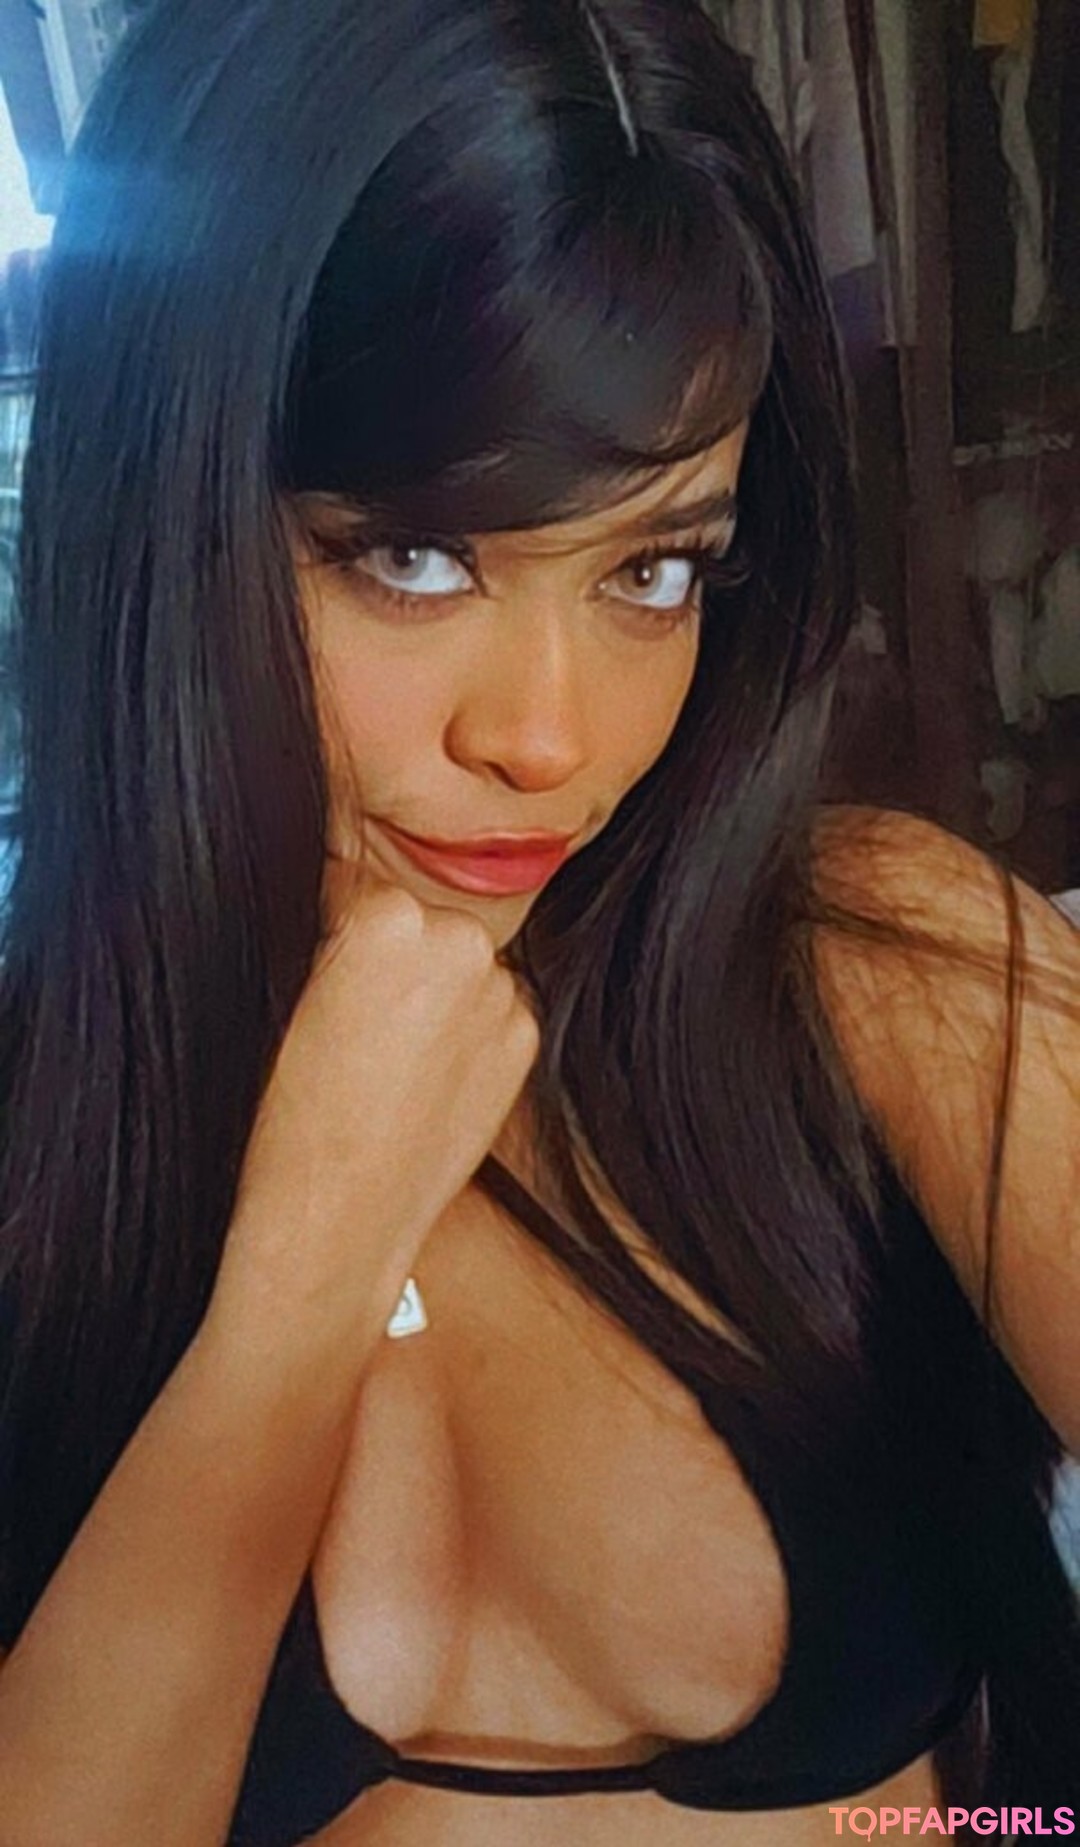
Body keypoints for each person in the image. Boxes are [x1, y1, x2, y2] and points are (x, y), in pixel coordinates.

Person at [0, 1, 1076, 1842]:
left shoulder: (875, 973)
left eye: (653, 569)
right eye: (414, 557)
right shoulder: (40, 1139)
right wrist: (306, 1277)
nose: (550, 741)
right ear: (164, 520)